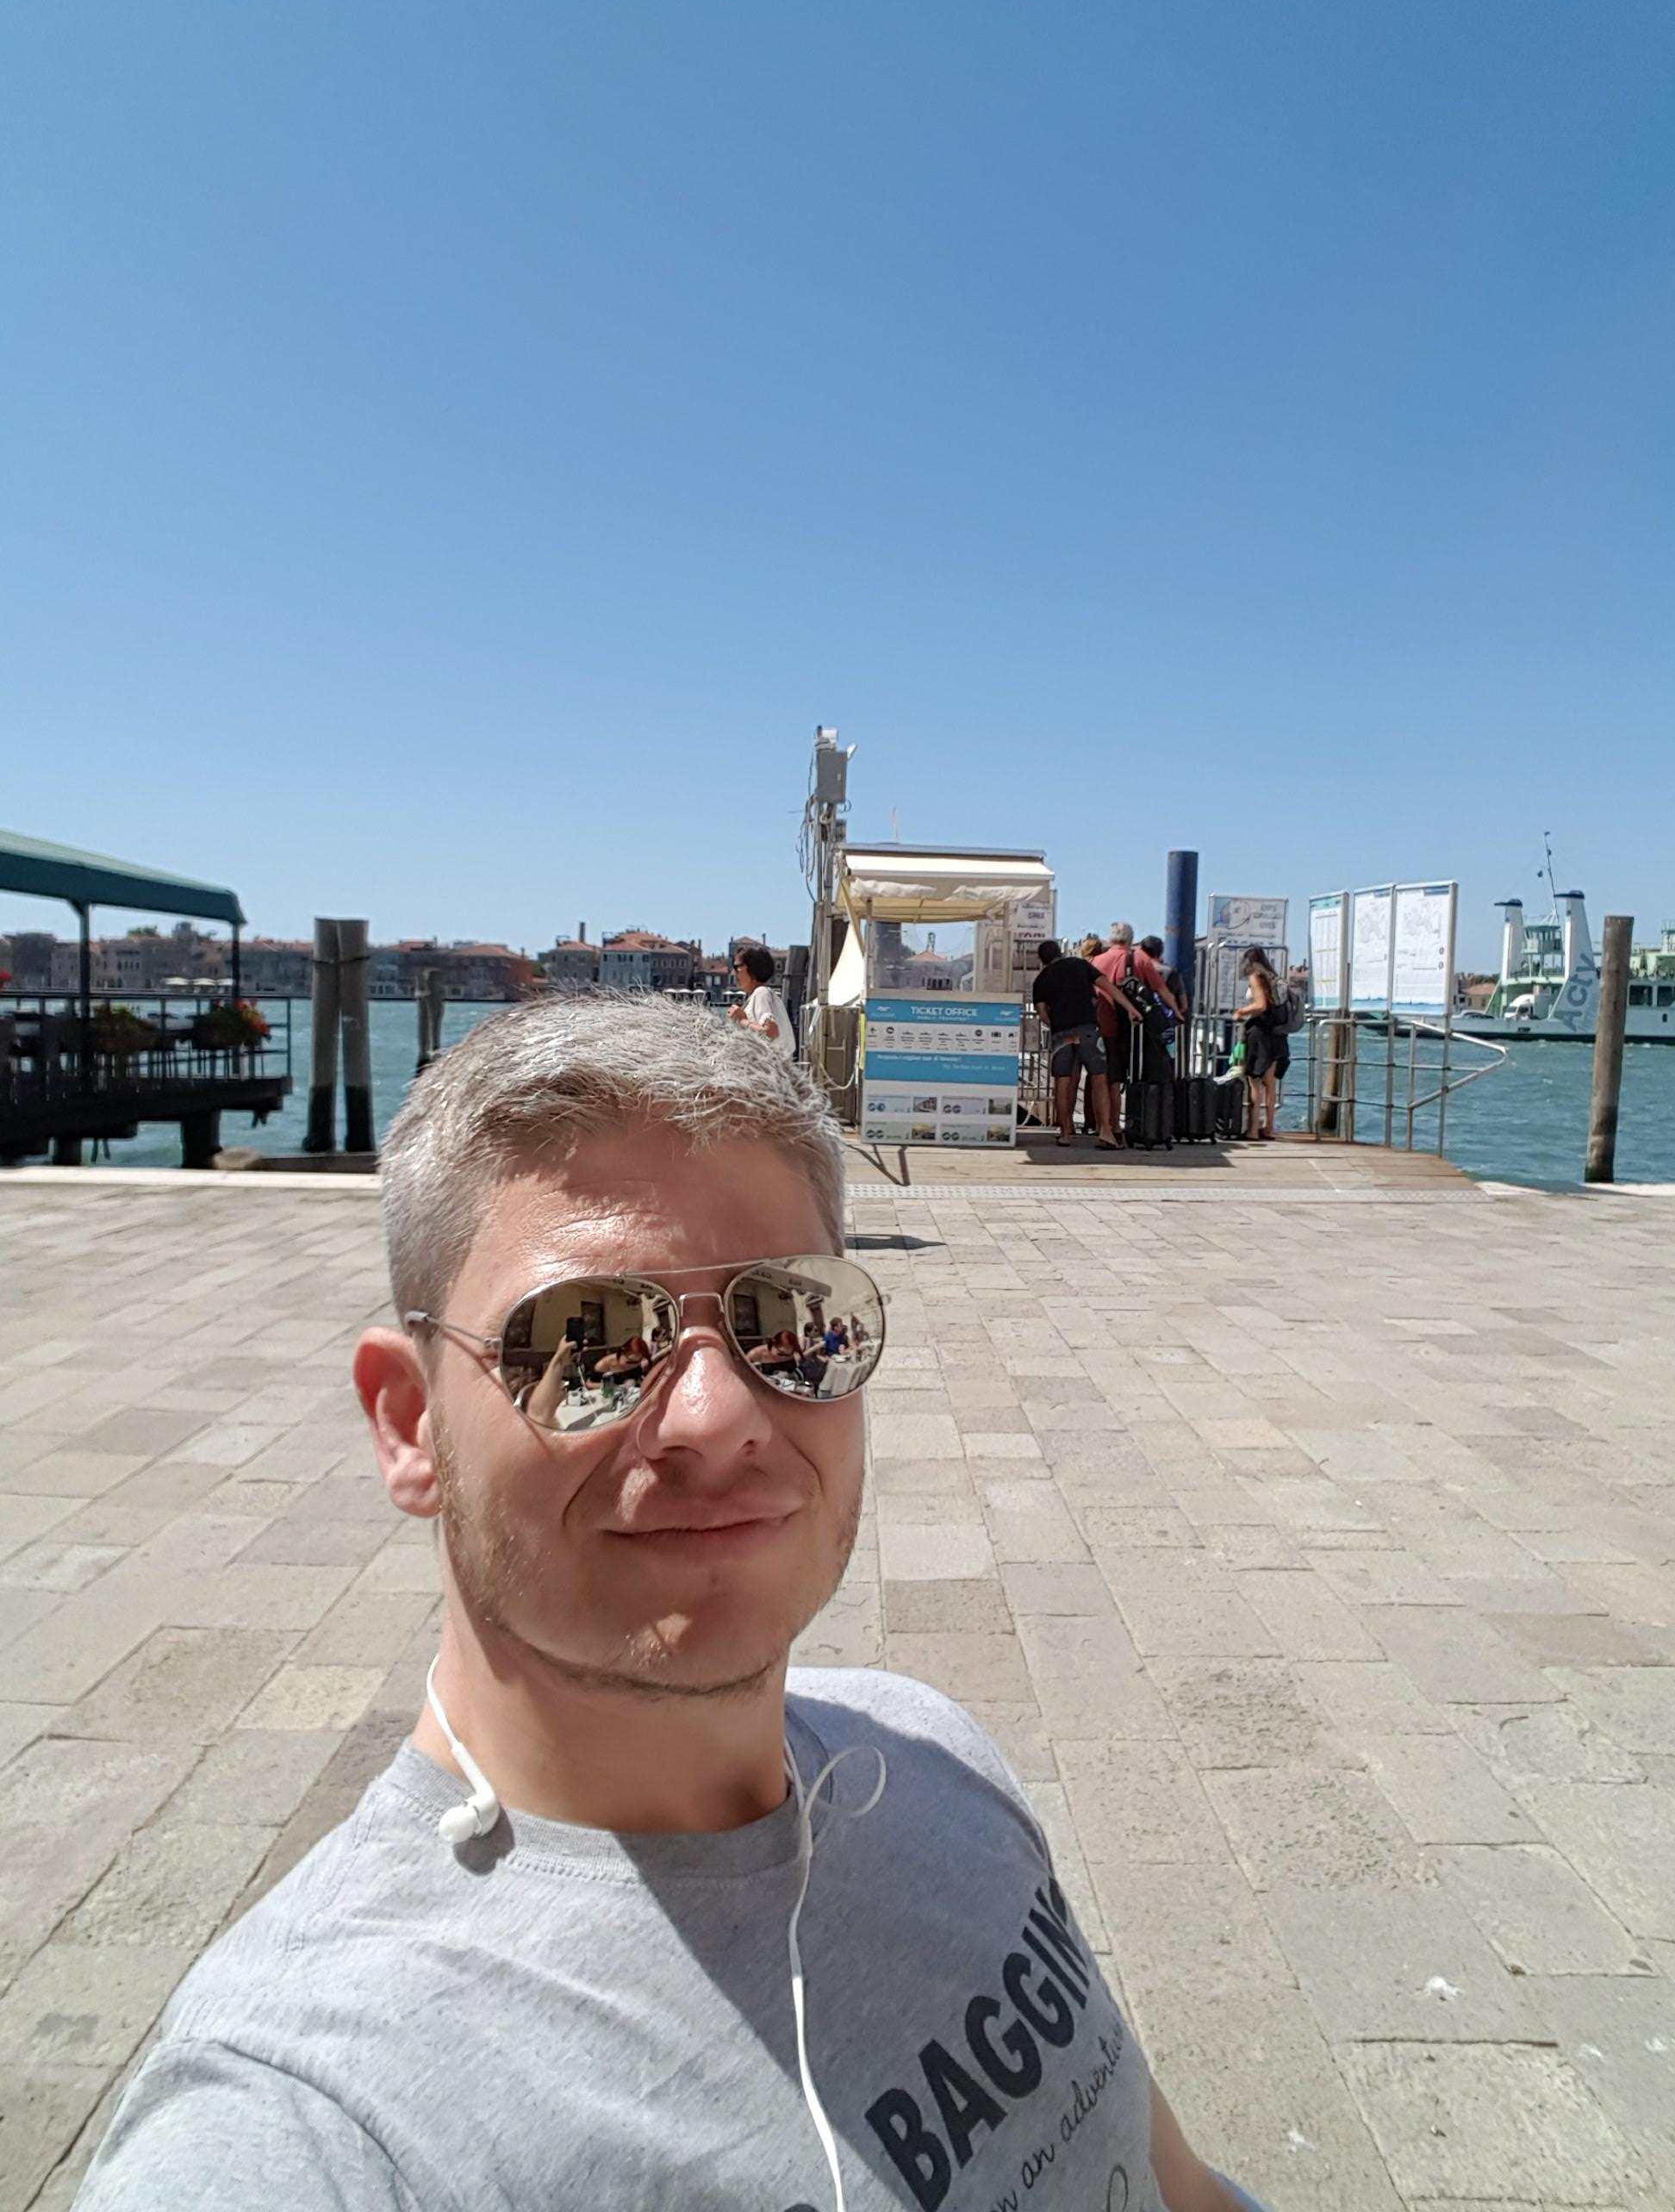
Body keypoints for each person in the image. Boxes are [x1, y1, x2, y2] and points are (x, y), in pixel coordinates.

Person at [76, 994, 1261, 2212]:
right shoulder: (316, 2121)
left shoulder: (937, 1755)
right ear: (410, 1423)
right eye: (585, 1339)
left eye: (790, 1320)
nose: (717, 1415)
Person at [1030, 938, 1130, 1150]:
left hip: (1062, 1034)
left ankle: (1065, 1133)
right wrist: (1131, 1009)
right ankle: (1106, 1132)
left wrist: (1056, 1024)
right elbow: (1104, 988)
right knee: (1099, 1077)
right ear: (1060, 952)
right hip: (1088, 1029)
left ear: (1042, 960)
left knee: (1062, 1081)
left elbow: (1042, 1011)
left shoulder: (1042, 979)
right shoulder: (1080, 965)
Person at [1093, 923, 1174, 1134]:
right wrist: (1177, 1011)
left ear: (1111, 939)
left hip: (1102, 1024)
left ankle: (1104, 1125)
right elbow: (1160, 988)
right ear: (1130, 939)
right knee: (1129, 1077)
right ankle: (1125, 1124)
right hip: (1132, 1028)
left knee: (1106, 1077)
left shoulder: (1097, 961)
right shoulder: (1139, 958)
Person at [1234, 944, 1286, 1141]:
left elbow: (1261, 1005)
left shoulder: (1256, 977)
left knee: (1254, 1081)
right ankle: (1269, 1127)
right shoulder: (1273, 977)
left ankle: (1253, 1130)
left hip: (1260, 1033)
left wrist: (1241, 1011)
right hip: (1276, 1033)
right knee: (1270, 1084)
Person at [730, 944, 795, 1048]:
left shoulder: (761, 993)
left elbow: (771, 1033)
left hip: (771, 1058)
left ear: (752, 968)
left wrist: (742, 1020)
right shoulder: (764, 995)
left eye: (737, 967)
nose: (733, 972)